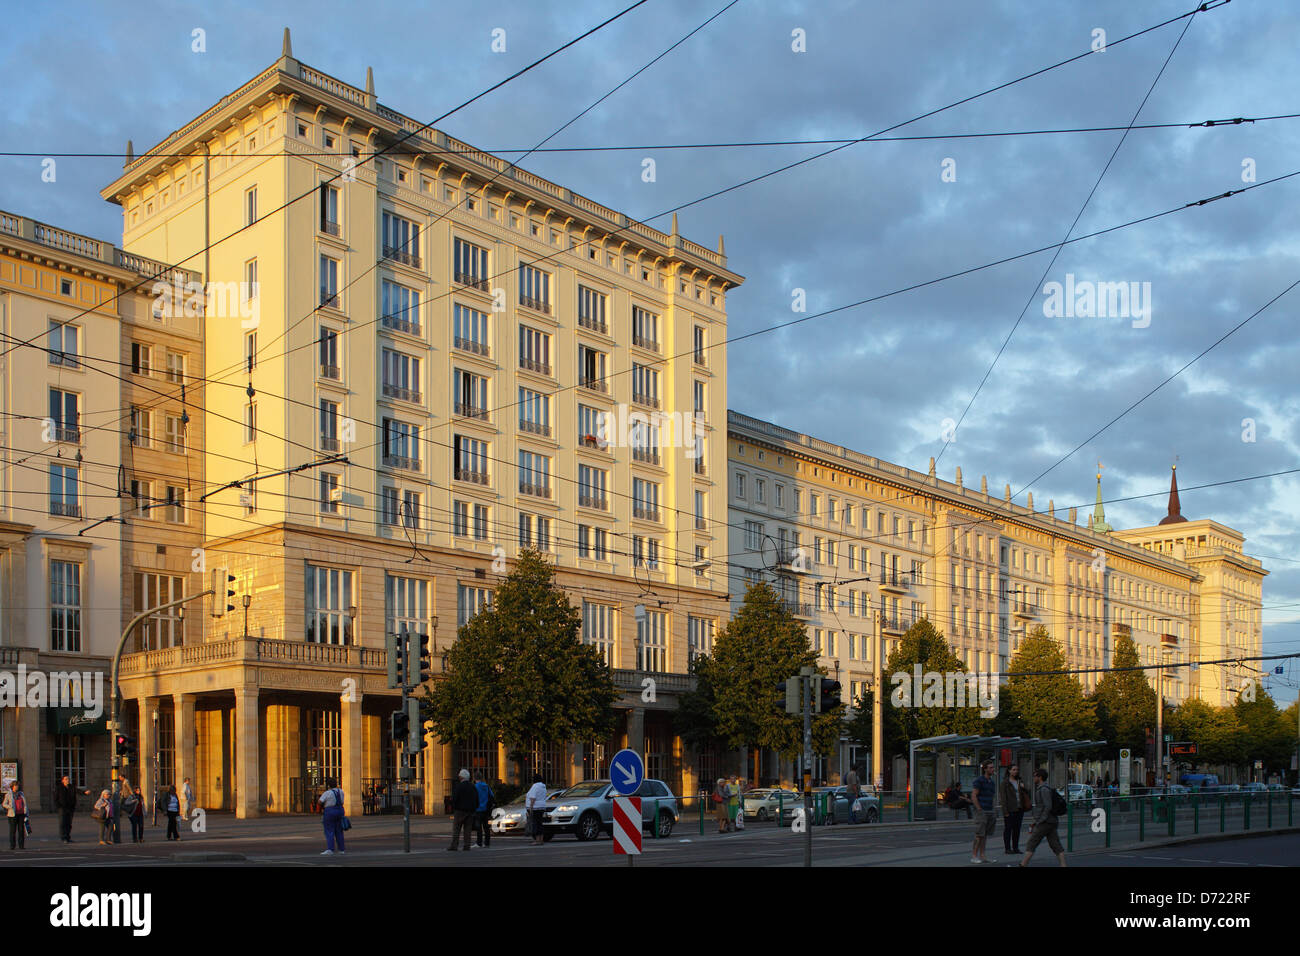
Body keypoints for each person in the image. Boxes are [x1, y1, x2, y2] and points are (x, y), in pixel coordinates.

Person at [1020, 768, 1067, 867]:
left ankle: (1023, 865)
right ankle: (1063, 865)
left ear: (1040, 777)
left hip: (1045, 822)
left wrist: (1040, 820)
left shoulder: (1044, 789)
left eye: (1035, 776)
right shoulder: (1045, 788)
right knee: (1055, 844)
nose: (1033, 778)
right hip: (1051, 821)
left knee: (1032, 843)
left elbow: (1047, 806)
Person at [999, 764, 1030, 855]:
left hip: (1019, 809)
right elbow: (1003, 799)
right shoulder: (1005, 783)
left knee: (1017, 829)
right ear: (1009, 771)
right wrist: (1005, 812)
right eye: (1014, 769)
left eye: (1017, 769)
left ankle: (1015, 847)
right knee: (1008, 829)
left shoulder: (1019, 781)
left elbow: (1027, 793)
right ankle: (1007, 848)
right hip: (1010, 809)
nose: (1016, 771)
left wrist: (1023, 788)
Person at [970, 760, 997, 864]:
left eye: (993, 767)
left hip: (989, 809)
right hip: (981, 810)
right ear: (985, 769)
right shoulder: (979, 780)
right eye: (990, 767)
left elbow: (992, 796)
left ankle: (982, 855)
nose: (992, 769)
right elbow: (974, 795)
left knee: (984, 834)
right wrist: (979, 809)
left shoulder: (992, 782)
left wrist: (993, 809)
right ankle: (974, 856)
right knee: (979, 834)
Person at [54, 775, 90, 844]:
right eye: (66, 779)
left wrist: (84, 792)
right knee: (63, 823)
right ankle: (63, 837)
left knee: (69, 823)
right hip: (62, 808)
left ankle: (68, 837)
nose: (68, 780)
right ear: (63, 780)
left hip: (70, 808)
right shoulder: (59, 788)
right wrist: (59, 806)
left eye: (68, 779)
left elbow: (78, 791)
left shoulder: (71, 787)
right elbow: (55, 798)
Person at [448, 769, 477, 851]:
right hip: (470, 811)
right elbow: (476, 799)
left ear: (461, 777)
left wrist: (454, 806)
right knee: (467, 830)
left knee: (457, 829)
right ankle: (467, 845)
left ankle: (454, 845)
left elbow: (454, 798)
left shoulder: (459, 787)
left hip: (459, 811)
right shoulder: (472, 786)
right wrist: (474, 809)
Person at [318, 778, 346, 855]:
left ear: (329, 785)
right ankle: (341, 849)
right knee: (339, 831)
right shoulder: (341, 791)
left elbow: (320, 801)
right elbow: (342, 801)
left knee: (329, 830)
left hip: (330, 811)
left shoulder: (327, 793)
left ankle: (330, 849)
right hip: (340, 810)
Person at [524, 773, 548, 846]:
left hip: (535, 808)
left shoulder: (535, 786)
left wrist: (530, 809)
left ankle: (537, 840)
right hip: (542, 807)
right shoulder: (543, 787)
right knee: (540, 823)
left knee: (535, 824)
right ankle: (541, 840)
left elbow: (532, 798)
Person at [3, 780, 27, 850]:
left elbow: (25, 804)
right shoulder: (8, 794)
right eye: (16, 786)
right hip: (12, 815)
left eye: (18, 786)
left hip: (21, 814)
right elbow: (4, 804)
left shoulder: (21, 794)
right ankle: (12, 846)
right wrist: (10, 806)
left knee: (21, 830)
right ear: (12, 787)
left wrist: (26, 812)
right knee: (13, 831)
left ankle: (21, 845)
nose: (17, 787)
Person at [473, 770, 495, 848]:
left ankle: (479, 842)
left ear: (474, 778)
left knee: (478, 827)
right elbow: (492, 796)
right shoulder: (486, 786)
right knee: (486, 827)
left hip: (478, 809)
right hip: (486, 809)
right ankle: (487, 842)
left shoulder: (475, 787)